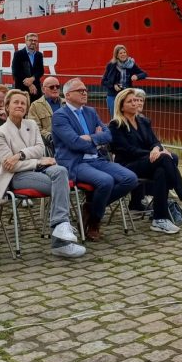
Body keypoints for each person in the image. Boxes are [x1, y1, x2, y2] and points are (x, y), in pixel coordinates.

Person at [0, 89, 85, 259]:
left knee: (61, 171)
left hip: (35, 168)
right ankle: (60, 242)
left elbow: (40, 148)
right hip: (15, 177)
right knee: (60, 186)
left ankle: (60, 225)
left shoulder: (31, 125)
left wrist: (20, 155)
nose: (20, 105)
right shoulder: (0, 132)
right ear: (7, 106)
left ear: (27, 108)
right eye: (16, 102)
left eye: (23, 103)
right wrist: (38, 161)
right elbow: (9, 165)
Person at [109, 88, 182, 233]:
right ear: (121, 106)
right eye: (130, 101)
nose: (135, 103)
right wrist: (154, 153)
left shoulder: (143, 121)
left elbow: (155, 141)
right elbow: (128, 150)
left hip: (146, 162)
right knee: (165, 158)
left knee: (162, 170)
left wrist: (156, 149)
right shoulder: (116, 125)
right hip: (127, 166)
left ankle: (160, 219)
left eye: (136, 100)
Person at [52, 78, 137, 242]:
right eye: (80, 90)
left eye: (85, 90)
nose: (85, 92)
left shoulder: (90, 111)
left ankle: (91, 208)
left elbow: (108, 135)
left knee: (130, 179)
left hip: (98, 159)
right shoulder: (60, 116)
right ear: (68, 95)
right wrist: (96, 139)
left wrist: (89, 138)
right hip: (76, 163)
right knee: (106, 181)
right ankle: (95, 222)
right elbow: (74, 143)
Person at [101, 44, 147, 117]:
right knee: (115, 119)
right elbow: (103, 81)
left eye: (124, 52)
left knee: (127, 117)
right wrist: (113, 86)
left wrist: (137, 76)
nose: (123, 54)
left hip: (127, 96)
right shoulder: (111, 65)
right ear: (116, 55)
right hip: (113, 96)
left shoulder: (131, 64)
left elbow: (144, 74)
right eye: (120, 53)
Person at [28, 75, 63, 150]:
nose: (55, 89)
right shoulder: (35, 106)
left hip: (68, 144)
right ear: (43, 89)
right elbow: (35, 128)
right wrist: (51, 137)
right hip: (47, 146)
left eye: (57, 86)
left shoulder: (66, 104)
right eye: (52, 87)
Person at [11, 32, 44, 102]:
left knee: (36, 111)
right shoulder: (18, 54)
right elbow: (16, 72)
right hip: (21, 90)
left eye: (35, 41)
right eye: (31, 40)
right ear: (26, 41)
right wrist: (29, 84)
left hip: (36, 91)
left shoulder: (39, 55)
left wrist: (32, 78)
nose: (33, 42)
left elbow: (41, 71)